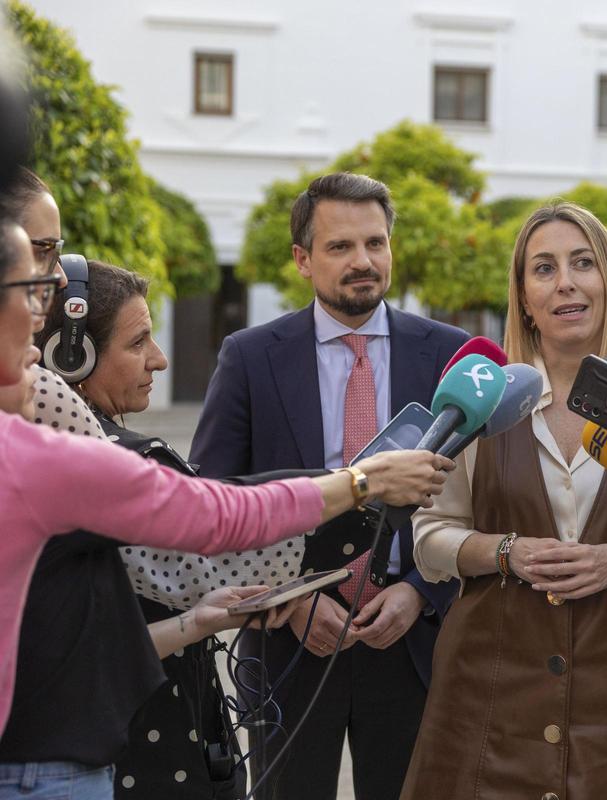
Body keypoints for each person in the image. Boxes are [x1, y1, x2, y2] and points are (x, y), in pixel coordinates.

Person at [0, 216, 453, 799]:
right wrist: (360, 484)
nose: (44, 307)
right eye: (34, 283)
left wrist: (198, 622)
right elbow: (215, 518)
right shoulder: (49, 456)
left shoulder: (42, 447)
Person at [403, 201, 607, 800]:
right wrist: (507, 553)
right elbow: (431, 536)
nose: (565, 282)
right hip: (490, 691)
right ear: (524, 296)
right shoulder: (484, 399)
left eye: (583, 263)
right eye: (543, 269)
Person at [190, 172, 470, 799]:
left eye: (376, 243)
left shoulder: (449, 357)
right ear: (302, 259)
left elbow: (482, 500)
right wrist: (291, 601)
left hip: (413, 642)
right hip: (289, 648)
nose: (363, 261)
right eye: (340, 247)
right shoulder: (250, 356)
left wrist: (420, 594)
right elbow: (212, 500)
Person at [24, 259, 293, 799]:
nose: (160, 359)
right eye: (138, 341)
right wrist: (356, 489)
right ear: (72, 354)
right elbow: (217, 546)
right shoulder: (125, 463)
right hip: (146, 751)